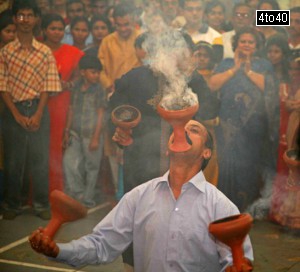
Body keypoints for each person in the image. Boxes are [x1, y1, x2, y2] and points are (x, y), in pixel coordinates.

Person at [29, 119, 254, 272]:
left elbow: (237, 261)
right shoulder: (139, 196)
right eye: (178, 129)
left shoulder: (222, 207)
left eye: (194, 130)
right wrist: (58, 250)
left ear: (207, 152)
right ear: (168, 148)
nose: (183, 131)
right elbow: (101, 245)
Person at [0, 0, 61, 220]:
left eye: (30, 15)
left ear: (37, 20)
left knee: (39, 160)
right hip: (12, 110)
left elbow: (47, 85)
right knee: (13, 161)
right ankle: (12, 204)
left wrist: (37, 114)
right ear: (15, 19)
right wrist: (16, 115)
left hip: (38, 108)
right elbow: (3, 86)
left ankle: (41, 204)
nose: (25, 20)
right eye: (21, 16)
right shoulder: (6, 52)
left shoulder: (44, 52)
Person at [209, 27, 279, 212]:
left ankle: (249, 210)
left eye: (250, 42)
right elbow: (212, 85)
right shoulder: (226, 63)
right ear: (236, 44)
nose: (246, 45)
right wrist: (235, 69)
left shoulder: (264, 65)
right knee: (227, 167)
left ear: (256, 46)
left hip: (254, 128)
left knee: (250, 167)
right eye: (243, 41)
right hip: (227, 127)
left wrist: (248, 71)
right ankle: (225, 209)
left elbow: (271, 89)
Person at [41, 13, 84, 193]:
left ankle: (57, 191)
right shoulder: (39, 50)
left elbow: (82, 75)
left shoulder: (74, 52)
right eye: (52, 28)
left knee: (58, 147)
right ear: (44, 30)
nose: (56, 32)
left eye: (60, 29)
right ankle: (38, 193)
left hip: (62, 103)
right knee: (41, 148)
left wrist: (70, 84)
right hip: (40, 103)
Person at [63, 55, 106, 208]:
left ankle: (87, 199)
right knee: (70, 163)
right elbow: (71, 109)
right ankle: (77, 194)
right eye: (93, 72)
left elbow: (101, 114)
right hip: (75, 133)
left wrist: (96, 137)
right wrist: (67, 130)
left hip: (91, 134)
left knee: (91, 167)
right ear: (83, 72)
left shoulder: (99, 90)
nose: (96, 75)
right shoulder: (76, 87)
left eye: (98, 73)